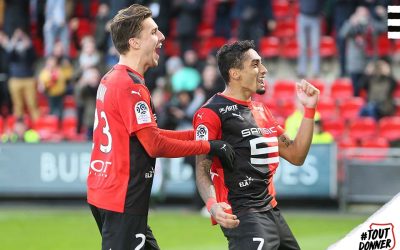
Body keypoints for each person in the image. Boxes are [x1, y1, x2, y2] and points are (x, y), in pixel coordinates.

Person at [86, 4, 235, 250]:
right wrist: (208, 145)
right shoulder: (130, 86)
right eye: (154, 32)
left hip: (108, 191)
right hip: (122, 197)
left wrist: (201, 135)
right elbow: (153, 144)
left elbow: (148, 134)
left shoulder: (112, 77)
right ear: (134, 42)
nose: (162, 37)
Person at [193, 40, 320, 250]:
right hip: (242, 213)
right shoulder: (210, 113)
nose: (263, 70)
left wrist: (309, 110)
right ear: (235, 73)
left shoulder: (262, 111)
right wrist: (212, 205)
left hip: (271, 210)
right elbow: (202, 168)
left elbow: (296, 155)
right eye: (255, 64)